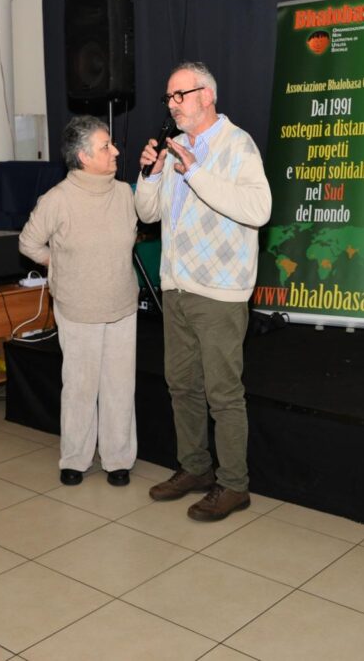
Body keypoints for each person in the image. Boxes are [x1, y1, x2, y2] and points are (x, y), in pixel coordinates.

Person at [136, 61, 271, 521]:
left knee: (222, 393)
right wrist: (151, 174)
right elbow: (147, 214)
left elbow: (259, 208)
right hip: (175, 287)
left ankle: (234, 485)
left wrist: (194, 172)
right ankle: (195, 468)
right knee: (182, 385)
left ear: (207, 96)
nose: (172, 105)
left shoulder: (237, 145)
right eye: (168, 97)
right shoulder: (175, 147)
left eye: (181, 95)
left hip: (219, 290)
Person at [19, 116, 138, 487]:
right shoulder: (57, 199)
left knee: (120, 387)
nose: (115, 151)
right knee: (80, 387)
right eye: (106, 146)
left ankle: (118, 459)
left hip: (122, 306)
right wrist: (57, 263)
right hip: (78, 308)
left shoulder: (125, 194)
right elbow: (28, 243)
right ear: (84, 157)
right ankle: (75, 458)